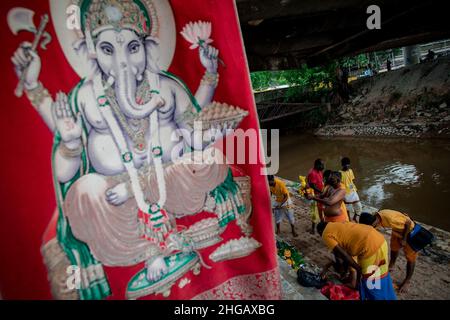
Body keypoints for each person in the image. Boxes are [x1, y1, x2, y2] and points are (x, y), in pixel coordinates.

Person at [317, 221, 397, 300]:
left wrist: (358, 268)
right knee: (382, 274)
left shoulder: (325, 234)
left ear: (321, 231)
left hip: (369, 247)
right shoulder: (337, 224)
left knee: (372, 283)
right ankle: (390, 297)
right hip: (380, 241)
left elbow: (344, 255)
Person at [359, 210, 418, 293]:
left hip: (409, 232)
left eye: (372, 226)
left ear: (375, 222)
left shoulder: (389, 219)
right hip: (397, 230)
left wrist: (404, 239)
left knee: (410, 258)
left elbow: (408, 222)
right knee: (394, 248)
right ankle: (391, 265)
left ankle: (407, 281)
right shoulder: (377, 217)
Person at [340, 157, 362, 221]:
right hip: (345, 193)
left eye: (348, 164)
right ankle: (349, 220)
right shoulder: (339, 173)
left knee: (359, 207)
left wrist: (354, 189)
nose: (347, 166)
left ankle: (355, 217)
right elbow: (339, 185)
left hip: (353, 191)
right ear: (342, 165)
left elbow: (351, 181)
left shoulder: (350, 171)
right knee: (349, 209)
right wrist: (342, 195)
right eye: (345, 164)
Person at [307, 159, 325, 234]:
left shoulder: (319, 171)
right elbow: (312, 185)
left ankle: (323, 226)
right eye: (322, 165)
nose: (323, 166)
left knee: (321, 211)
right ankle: (313, 229)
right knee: (314, 212)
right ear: (317, 165)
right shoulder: (312, 173)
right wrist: (322, 192)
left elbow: (321, 181)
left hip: (320, 194)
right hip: (314, 195)